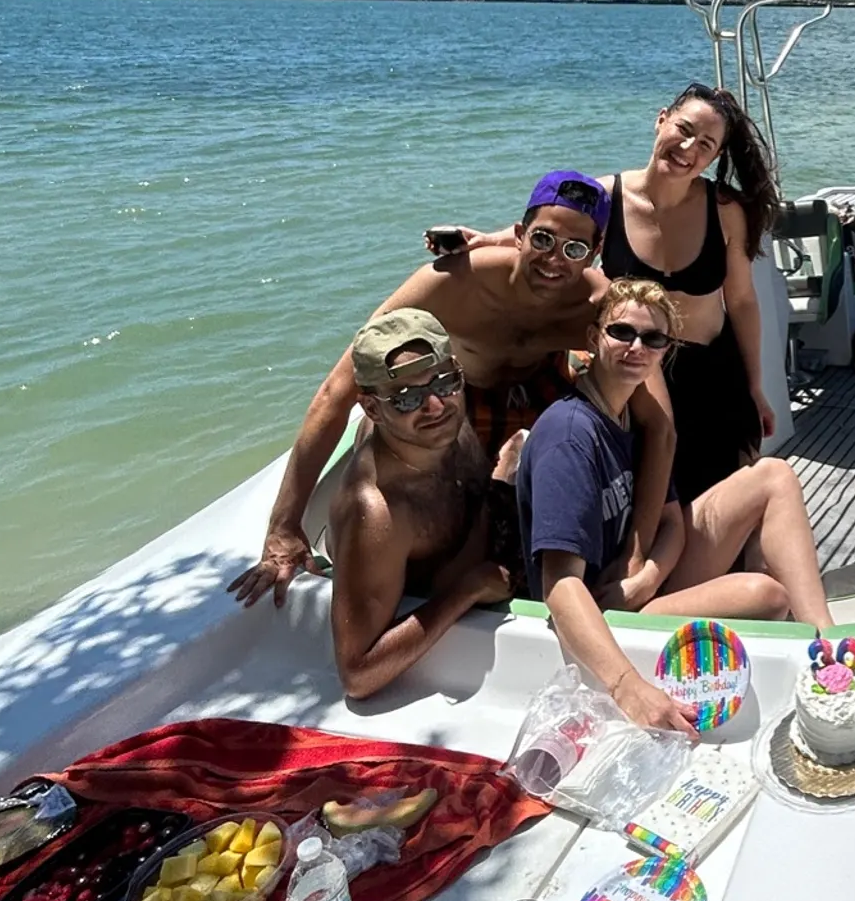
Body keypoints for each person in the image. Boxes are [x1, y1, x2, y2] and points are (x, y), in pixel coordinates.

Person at [228, 170, 672, 609]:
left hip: (546, 392)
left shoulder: (602, 306)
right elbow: (341, 390)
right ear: (518, 234)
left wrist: (637, 552)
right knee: (390, 452)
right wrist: (284, 525)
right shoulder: (453, 282)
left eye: (574, 249)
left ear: (594, 253)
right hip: (462, 395)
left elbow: (661, 429)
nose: (555, 259)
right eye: (543, 240)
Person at [517, 278, 836, 732]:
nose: (636, 348)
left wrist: (647, 577)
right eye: (621, 332)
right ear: (593, 339)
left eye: (653, 338)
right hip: (600, 613)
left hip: (636, 585)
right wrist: (627, 685)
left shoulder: (629, 415)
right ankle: (816, 654)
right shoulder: (570, 437)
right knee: (767, 595)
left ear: (665, 350)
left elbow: (671, 522)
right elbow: (561, 587)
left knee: (774, 475)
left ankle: (829, 642)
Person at [597, 84, 780, 504]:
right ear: (661, 119)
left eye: (705, 145)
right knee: (653, 508)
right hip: (639, 376)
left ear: (714, 158)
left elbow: (741, 301)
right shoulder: (605, 199)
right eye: (683, 129)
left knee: (722, 508)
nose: (687, 148)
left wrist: (755, 385)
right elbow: (545, 239)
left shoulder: (724, 209)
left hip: (715, 376)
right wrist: (481, 242)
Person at [324, 310, 516, 699]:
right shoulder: (378, 513)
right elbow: (357, 675)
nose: (433, 405)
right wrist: (469, 589)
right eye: (406, 397)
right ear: (373, 409)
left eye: (445, 382)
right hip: (459, 593)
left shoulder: (441, 420)